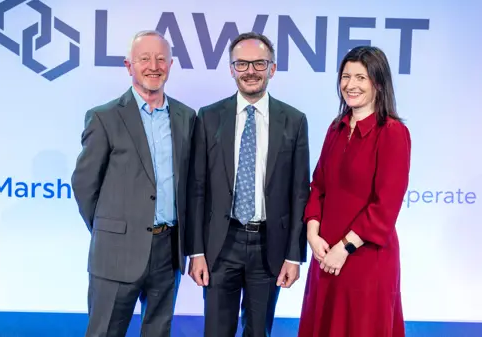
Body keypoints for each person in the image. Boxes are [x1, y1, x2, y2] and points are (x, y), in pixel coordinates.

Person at [71, 30, 196, 337]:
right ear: (129, 66)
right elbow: (85, 185)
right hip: (116, 252)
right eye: (144, 59)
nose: (153, 65)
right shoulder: (104, 117)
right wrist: (109, 227)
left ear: (170, 65)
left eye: (161, 59)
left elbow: (191, 184)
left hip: (168, 252)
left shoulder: (187, 117)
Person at [186, 32, 310, 337]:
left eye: (259, 63)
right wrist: (196, 251)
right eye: (241, 64)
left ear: (272, 68)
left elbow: (299, 193)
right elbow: (197, 188)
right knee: (216, 331)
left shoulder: (294, 120)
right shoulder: (209, 117)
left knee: (258, 332)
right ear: (231, 69)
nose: (250, 71)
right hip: (220, 245)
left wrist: (294, 255)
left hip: (269, 246)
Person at [297, 45, 411, 337]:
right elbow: (319, 185)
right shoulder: (336, 127)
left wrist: (344, 247)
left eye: (361, 77)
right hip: (325, 256)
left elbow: (385, 205)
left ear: (378, 83)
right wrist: (312, 232)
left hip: (365, 259)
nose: (350, 85)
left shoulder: (393, 133)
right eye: (346, 76)